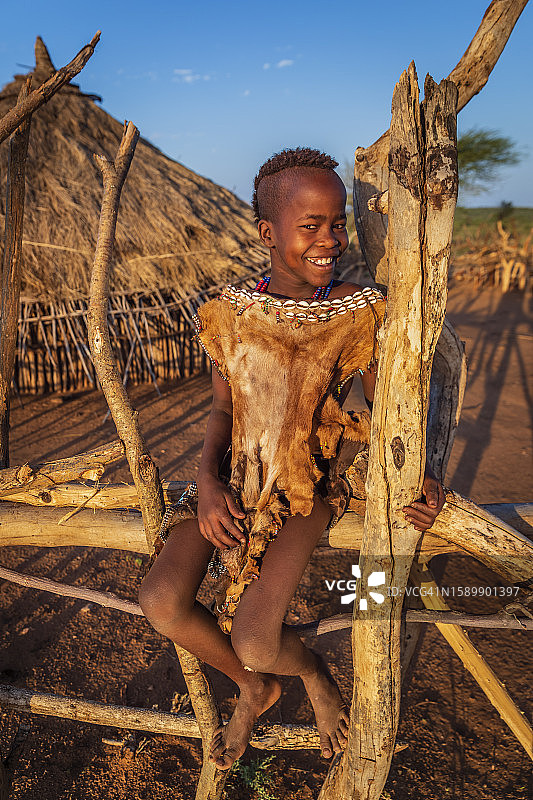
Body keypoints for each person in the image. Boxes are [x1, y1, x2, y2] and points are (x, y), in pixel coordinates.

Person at [139, 148, 445, 770]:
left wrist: (424, 476)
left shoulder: (357, 311)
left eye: (337, 223)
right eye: (310, 226)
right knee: (162, 601)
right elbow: (223, 412)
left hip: (312, 489)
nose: (328, 239)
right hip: (236, 482)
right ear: (268, 231)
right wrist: (205, 482)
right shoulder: (229, 313)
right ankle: (254, 687)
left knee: (256, 638)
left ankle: (307, 672)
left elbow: (391, 412)